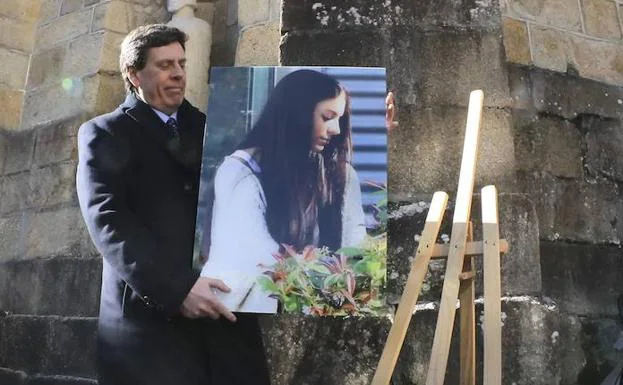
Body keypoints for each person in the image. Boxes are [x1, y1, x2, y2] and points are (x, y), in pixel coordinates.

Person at [76, 24, 271, 385]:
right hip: (149, 331)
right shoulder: (104, 133)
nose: (179, 73)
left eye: (181, 62)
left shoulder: (216, 128)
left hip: (225, 322)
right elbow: (109, 222)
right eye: (165, 65)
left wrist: (365, 124)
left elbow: (276, 172)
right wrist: (177, 289)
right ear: (134, 75)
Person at [200, 70, 381, 313]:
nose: (336, 129)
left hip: (315, 305)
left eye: (340, 118)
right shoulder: (240, 172)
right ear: (297, 115)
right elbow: (257, 258)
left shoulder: (340, 173)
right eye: (327, 117)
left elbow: (355, 245)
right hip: (249, 310)